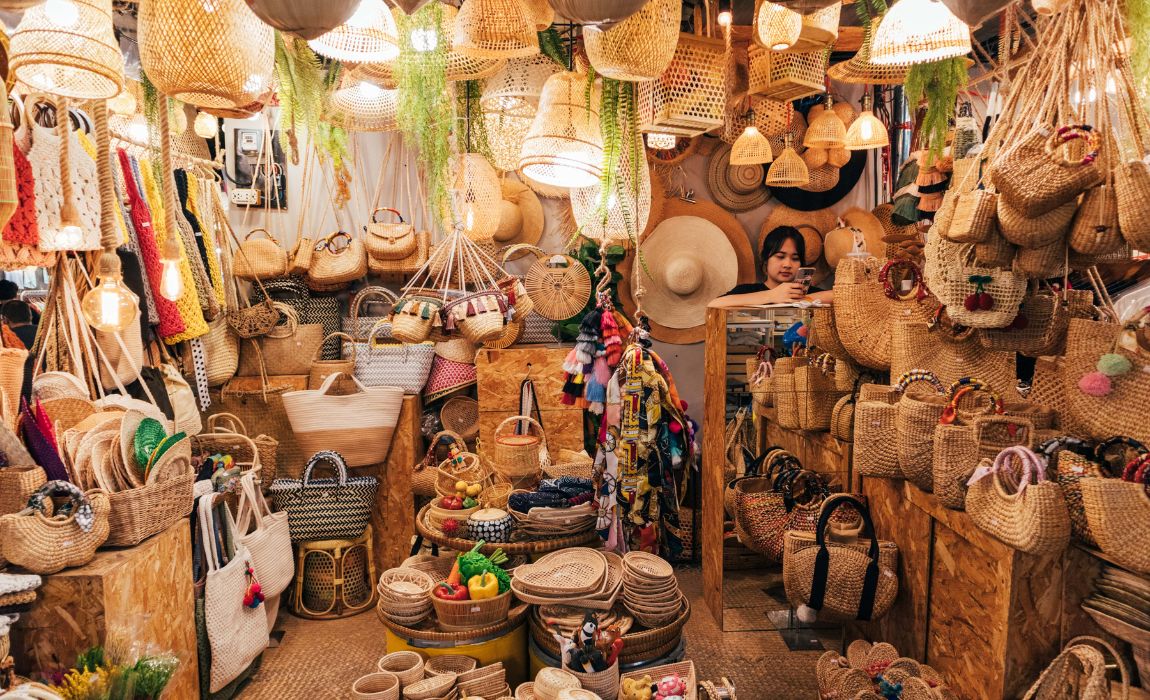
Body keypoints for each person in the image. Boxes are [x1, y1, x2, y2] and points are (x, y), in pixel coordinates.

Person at [708, 225, 834, 308]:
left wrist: (797, 299)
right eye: (780, 256)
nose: (787, 264)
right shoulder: (748, 291)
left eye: (795, 258)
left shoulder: (809, 293)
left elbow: (838, 296)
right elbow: (714, 305)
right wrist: (772, 295)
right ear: (766, 260)